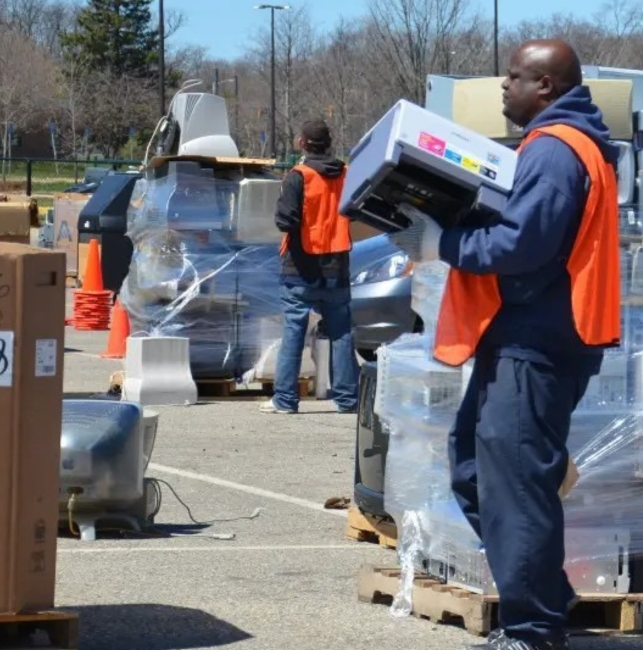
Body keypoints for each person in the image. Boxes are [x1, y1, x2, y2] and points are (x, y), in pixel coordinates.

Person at [388, 39, 622, 650]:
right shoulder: (565, 145)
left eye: (514, 77)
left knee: (514, 484)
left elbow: (524, 244)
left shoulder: (555, 149)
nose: (503, 87)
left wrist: (443, 245)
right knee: (473, 467)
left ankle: (533, 629)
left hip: (536, 341)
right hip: (525, 337)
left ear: (545, 87)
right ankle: (541, 593)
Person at [261, 119, 360, 415]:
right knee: (341, 333)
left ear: (302, 143)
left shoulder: (298, 176)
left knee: (294, 332)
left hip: (301, 267)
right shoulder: (345, 173)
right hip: (337, 266)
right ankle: (347, 399)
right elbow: (353, 211)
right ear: (328, 143)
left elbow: (286, 221)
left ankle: (286, 400)